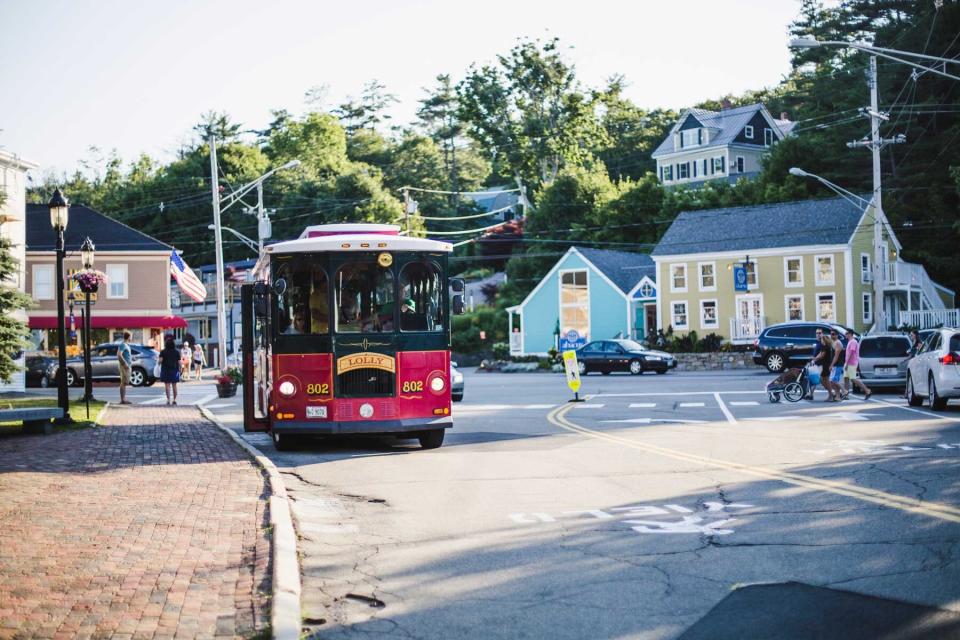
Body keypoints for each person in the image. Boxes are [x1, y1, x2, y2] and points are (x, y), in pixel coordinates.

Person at [843, 328, 873, 400]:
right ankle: (846, 395)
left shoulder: (853, 342)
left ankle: (867, 390)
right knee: (846, 378)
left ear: (850, 334)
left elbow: (851, 353)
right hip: (848, 363)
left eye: (846, 333)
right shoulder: (850, 341)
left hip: (851, 363)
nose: (845, 335)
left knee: (853, 378)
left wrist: (846, 363)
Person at [159, 336, 181, 405]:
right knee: (174, 385)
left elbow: (160, 361)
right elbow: (179, 362)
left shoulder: (163, 351)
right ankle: (175, 400)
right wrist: (181, 369)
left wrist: (158, 363)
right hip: (174, 370)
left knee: (167, 386)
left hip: (165, 370)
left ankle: (168, 400)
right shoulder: (177, 352)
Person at [829, 329, 848, 400]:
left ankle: (844, 391)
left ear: (837, 335)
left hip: (837, 365)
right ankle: (838, 396)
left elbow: (836, 356)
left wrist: (831, 365)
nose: (832, 335)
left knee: (833, 381)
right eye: (831, 334)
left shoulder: (838, 343)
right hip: (835, 365)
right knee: (833, 381)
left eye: (833, 334)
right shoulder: (833, 342)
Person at [117, 331, 133, 405]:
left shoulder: (127, 345)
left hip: (128, 366)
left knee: (125, 383)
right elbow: (119, 355)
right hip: (125, 367)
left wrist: (132, 358)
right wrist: (124, 364)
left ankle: (123, 399)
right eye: (131, 336)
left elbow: (126, 355)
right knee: (123, 383)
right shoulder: (123, 345)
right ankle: (122, 400)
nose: (131, 338)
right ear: (129, 337)